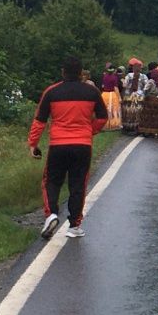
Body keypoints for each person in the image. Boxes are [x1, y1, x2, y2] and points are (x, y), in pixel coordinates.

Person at [28, 56, 107, 239]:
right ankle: (74, 226)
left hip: (58, 145)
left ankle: (52, 214)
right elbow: (103, 118)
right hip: (82, 145)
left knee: (52, 181)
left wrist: (33, 144)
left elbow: (39, 120)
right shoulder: (92, 92)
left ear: (63, 72)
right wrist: (89, 131)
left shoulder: (51, 92)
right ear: (81, 73)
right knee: (78, 184)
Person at [122, 58, 147, 134]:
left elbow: (146, 86)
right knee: (130, 112)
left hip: (136, 96)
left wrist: (141, 92)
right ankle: (130, 127)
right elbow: (125, 84)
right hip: (131, 96)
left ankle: (135, 127)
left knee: (135, 112)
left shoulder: (142, 77)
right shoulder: (130, 76)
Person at [139, 63, 158, 136]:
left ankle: (147, 131)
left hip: (150, 99)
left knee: (148, 116)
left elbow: (145, 89)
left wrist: (145, 95)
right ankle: (155, 131)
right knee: (156, 116)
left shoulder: (151, 81)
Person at [100, 64, 122, 130]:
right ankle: (113, 124)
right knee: (113, 109)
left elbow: (102, 86)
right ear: (113, 70)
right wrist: (119, 97)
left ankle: (105, 124)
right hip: (112, 94)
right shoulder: (114, 77)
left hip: (104, 94)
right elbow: (116, 88)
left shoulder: (104, 76)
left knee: (106, 109)